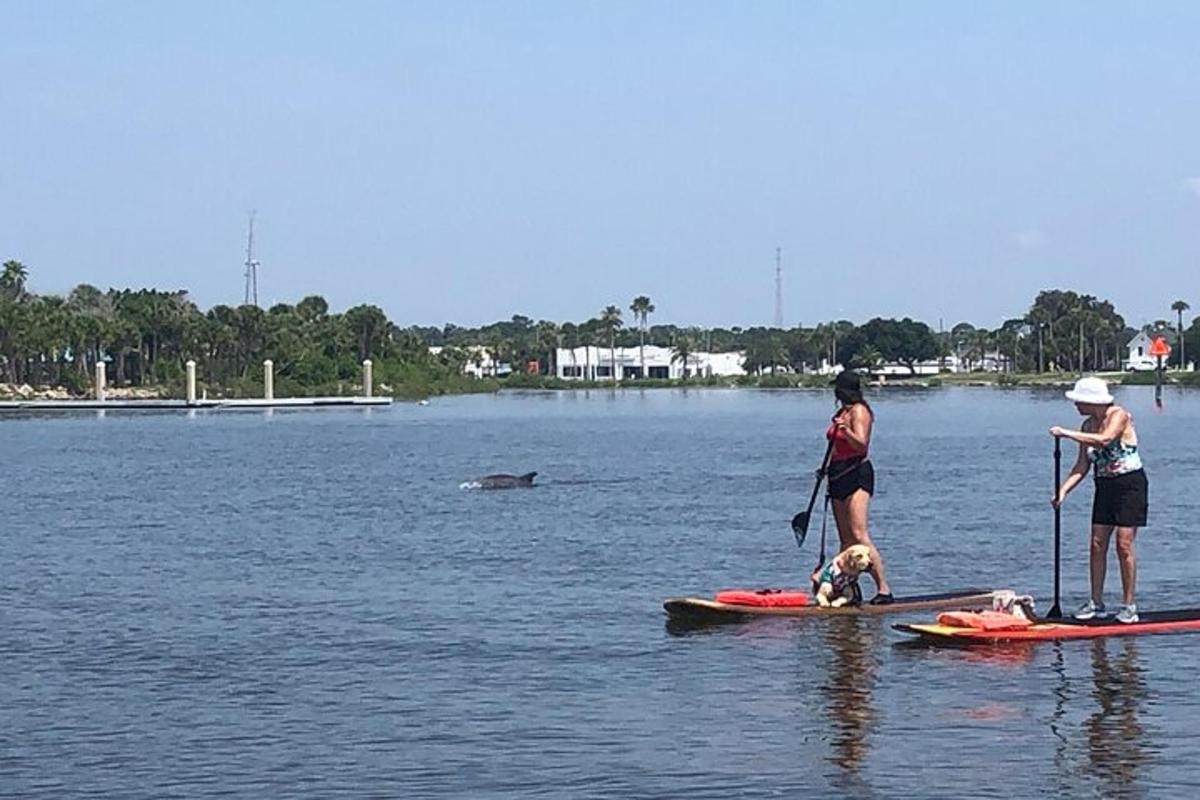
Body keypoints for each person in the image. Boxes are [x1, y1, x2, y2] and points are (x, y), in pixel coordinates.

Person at [1050, 376, 1148, 624]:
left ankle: (1129, 606)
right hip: (1104, 485)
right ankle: (1097, 603)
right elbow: (1082, 465)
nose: (1075, 405)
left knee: (1123, 545)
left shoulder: (1119, 415)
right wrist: (1063, 491)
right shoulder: (1086, 426)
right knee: (1096, 544)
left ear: (1091, 401)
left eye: (1078, 401)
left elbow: (1105, 440)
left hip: (1130, 485)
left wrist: (1065, 433)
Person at [819, 370, 892, 604]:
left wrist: (845, 430)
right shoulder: (843, 411)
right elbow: (836, 446)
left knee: (859, 535)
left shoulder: (859, 411)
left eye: (837, 389)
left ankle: (883, 589)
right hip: (838, 473)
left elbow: (861, 445)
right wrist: (826, 470)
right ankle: (850, 589)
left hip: (857, 473)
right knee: (845, 540)